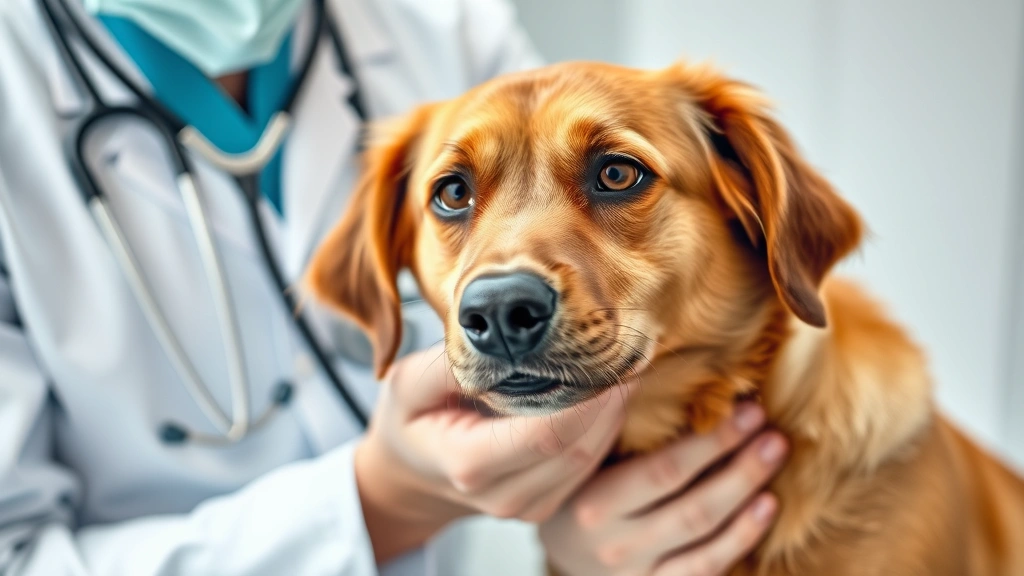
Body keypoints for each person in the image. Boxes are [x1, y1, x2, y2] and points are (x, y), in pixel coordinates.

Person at [0, 0, 788, 574]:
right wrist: (381, 503)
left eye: (615, 176)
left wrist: (588, 512)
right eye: (453, 196)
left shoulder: (446, 29)